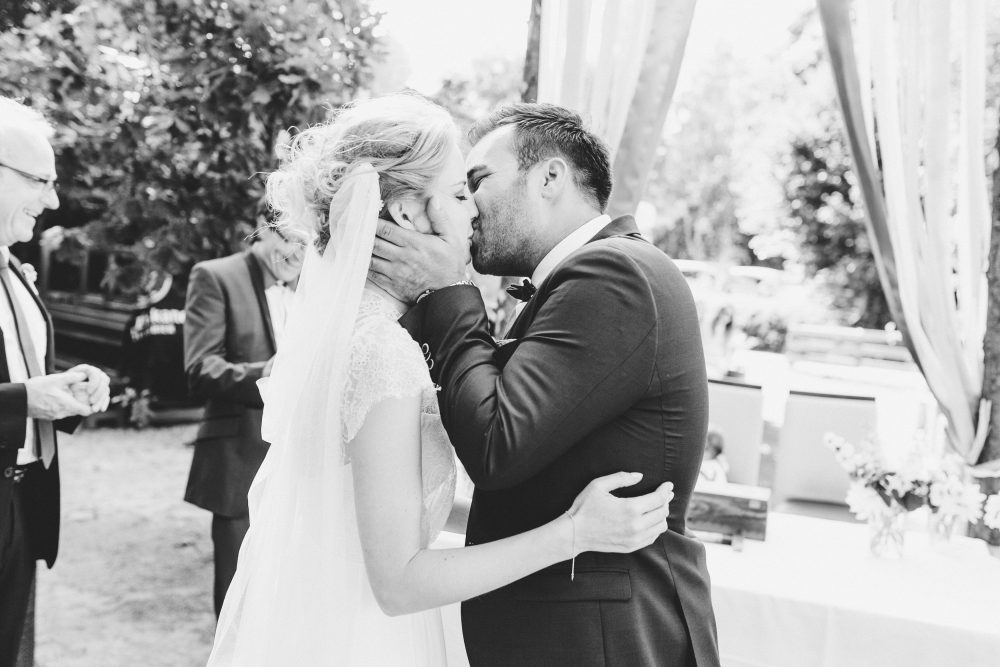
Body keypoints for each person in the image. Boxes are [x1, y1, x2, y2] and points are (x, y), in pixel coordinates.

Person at [207, 93, 675, 666]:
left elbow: (377, 503)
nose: (474, 210)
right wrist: (572, 533)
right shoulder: (380, 350)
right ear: (406, 214)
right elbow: (399, 582)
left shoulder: (364, 336)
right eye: (459, 193)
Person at [370, 102, 720, 666]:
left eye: (477, 181)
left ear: (550, 177)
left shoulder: (615, 274)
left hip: (604, 643)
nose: (469, 206)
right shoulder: (589, 277)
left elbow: (496, 443)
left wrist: (452, 289)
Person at [0, 96, 111, 666]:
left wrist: (67, 390)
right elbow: (18, 393)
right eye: (39, 180)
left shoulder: (13, 268)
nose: (53, 200)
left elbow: (19, 368)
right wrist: (24, 400)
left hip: (21, 502)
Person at [183, 222, 303, 617]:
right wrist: (265, 375)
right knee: (238, 600)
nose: (298, 253)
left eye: (308, 243)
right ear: (260, 230)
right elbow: (200, 367)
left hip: (299, 465)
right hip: (240, 461)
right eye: (289, 238)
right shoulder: (214, 276)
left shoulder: (311, 286)